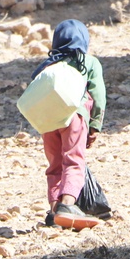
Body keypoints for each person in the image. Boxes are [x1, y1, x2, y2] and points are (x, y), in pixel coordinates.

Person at [32, 19, 107, 230]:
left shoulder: (47, 65)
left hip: (47, 120)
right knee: (73, 160)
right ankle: (68, 205)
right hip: (74, 116)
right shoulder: (89, 62)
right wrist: (95, 126)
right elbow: (98, 96)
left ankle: (54, 210)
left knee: (55, 165)